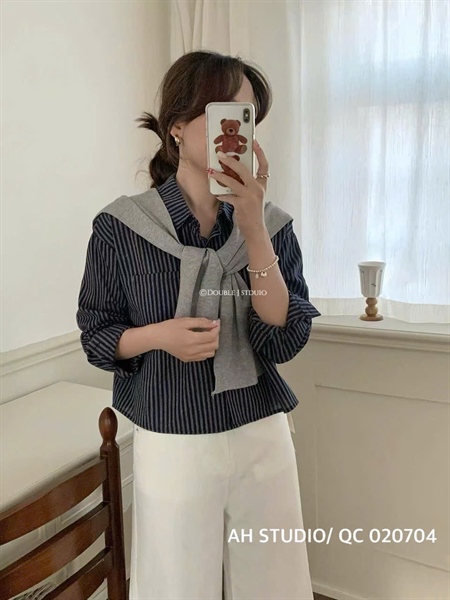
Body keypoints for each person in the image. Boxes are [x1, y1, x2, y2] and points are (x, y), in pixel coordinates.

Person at [76, 50, 321, 600]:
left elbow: (283, 335)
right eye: (221, 114)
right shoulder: (121, 227)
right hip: (173, 431)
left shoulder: (271, 224)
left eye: (246, 116)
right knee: (176, 584)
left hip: (260, 429)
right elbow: (97, 333)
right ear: (178, 127)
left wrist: (253, 228)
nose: (234, 133)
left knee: (275, 582)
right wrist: (157, 337)